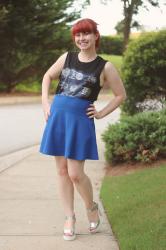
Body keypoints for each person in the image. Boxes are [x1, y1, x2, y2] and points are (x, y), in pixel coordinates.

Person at [39, 18, 126, 241]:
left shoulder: (105, 66)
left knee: (75, 174)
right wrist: (45, 102)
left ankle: (91, 206)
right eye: (77, 35)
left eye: (86, 34)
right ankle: (69, 217)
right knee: (61, 171)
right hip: (57, 118)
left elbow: (120, 95)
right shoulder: (66, 58)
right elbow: (47, 76)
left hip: (80, 122)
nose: (81, 39)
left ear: (96, 36)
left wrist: (100, 113)